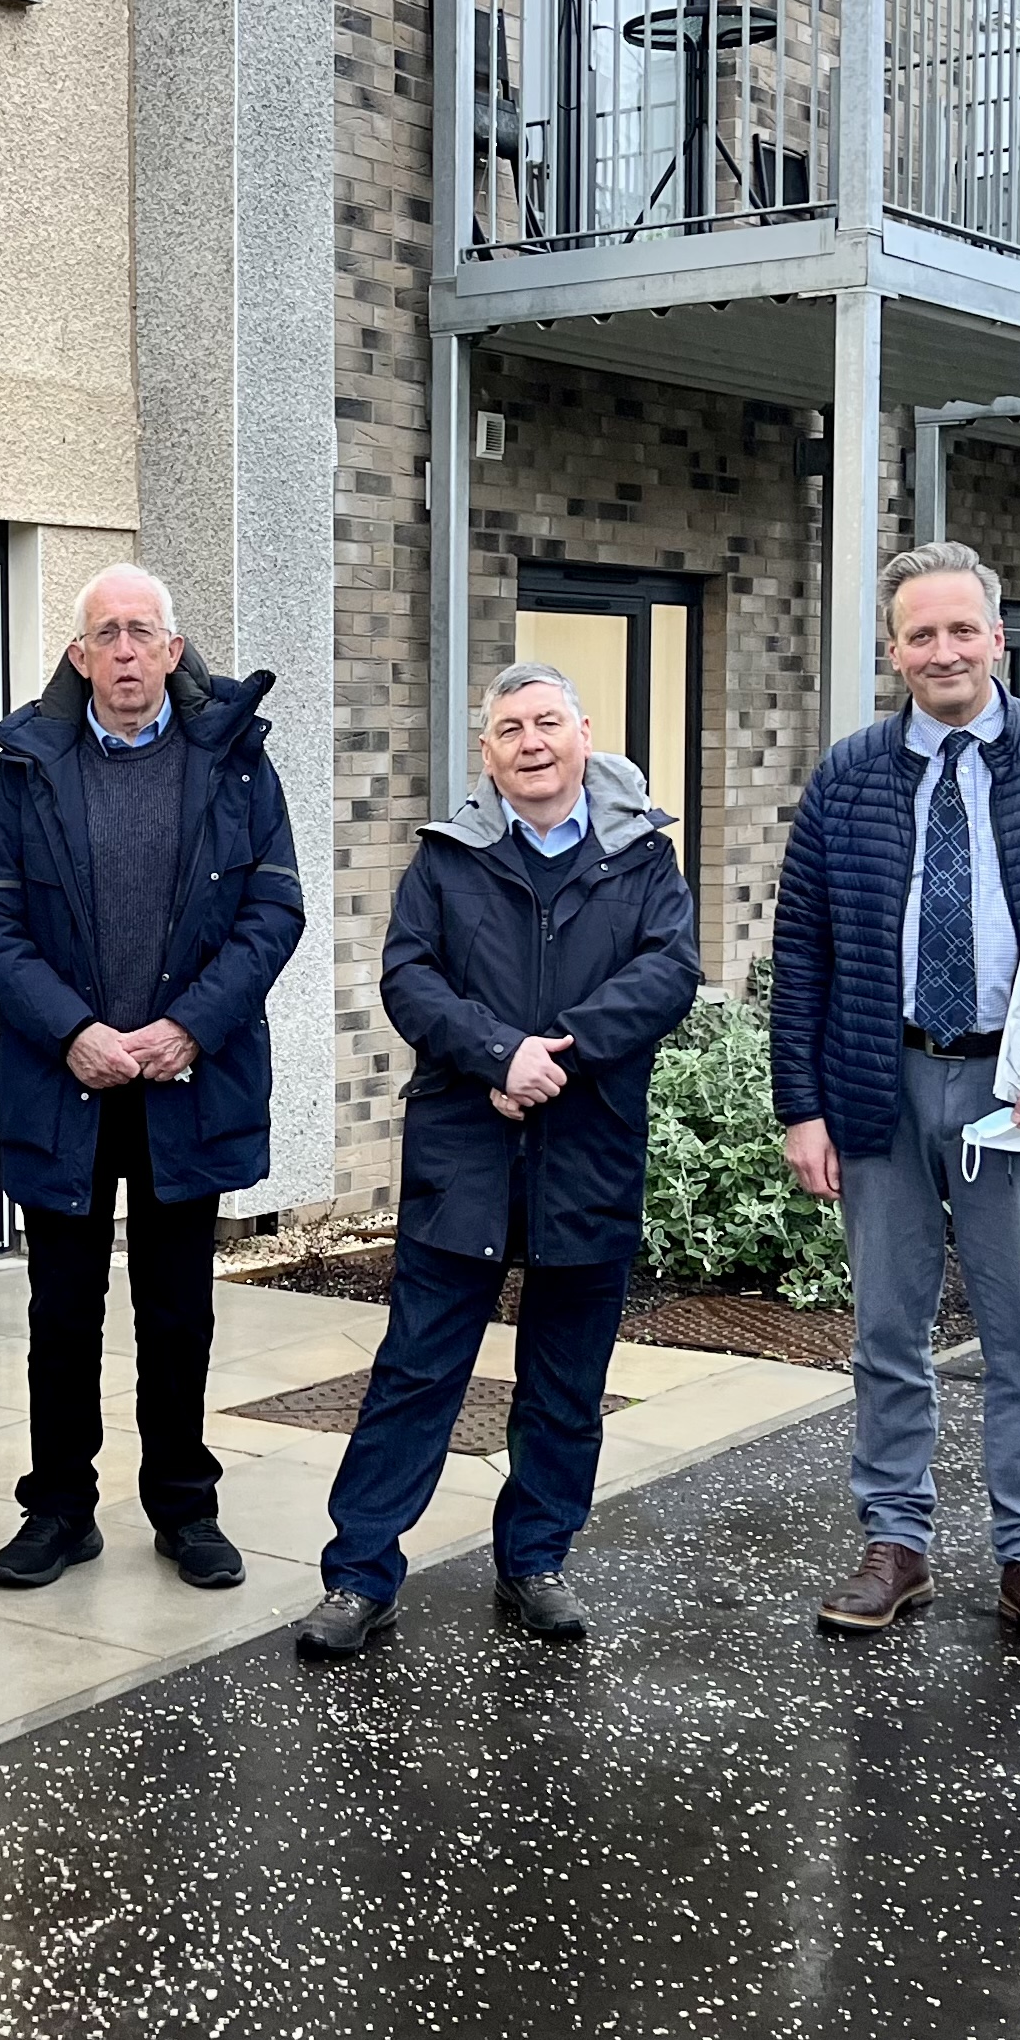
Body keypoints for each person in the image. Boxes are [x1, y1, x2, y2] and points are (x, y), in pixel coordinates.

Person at [773, 539, 1020, 1659]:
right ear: (892, 650)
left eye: (960, 628)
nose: (941, 649)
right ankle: (892, 1544)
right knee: (886, 1331)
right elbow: (799, 953)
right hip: (876, 1080)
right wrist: (800, 1105)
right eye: (918, 633)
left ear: (997, 636)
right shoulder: (845, 774)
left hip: (1018, 1089)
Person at [292, 662, 699, 1661]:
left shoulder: (640, 856)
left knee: (563, 1379)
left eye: (546, 721)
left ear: (582, 732)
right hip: (463, 1152)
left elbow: (669, 970)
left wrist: (553, 1051)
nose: (530, 740)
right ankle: (358, 1573)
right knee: (416, 1370)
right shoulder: (445, 859)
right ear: (485, 753)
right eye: (509, 727)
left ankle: (535, 1558)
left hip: (585, 1147)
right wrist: (492, 1053)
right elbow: (406, 974)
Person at [0, 564, 305, 1593]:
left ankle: (183, 1506)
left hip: (184, 1081)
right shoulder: (26, 767)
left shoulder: (235, 761)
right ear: (77, 656)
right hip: (63, 1082)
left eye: (138, 631)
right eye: (102, 633)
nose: (120, 651)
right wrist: (69, 1029)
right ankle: (59, 1508)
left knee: (178, 1309)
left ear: (169, 648)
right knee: (60, 1311)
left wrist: (189, 1027)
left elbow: (273, 910)